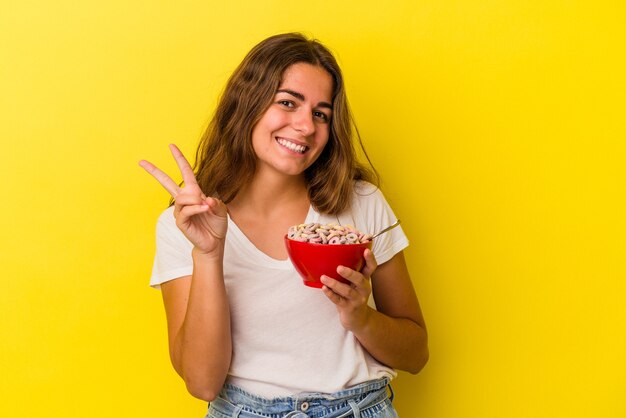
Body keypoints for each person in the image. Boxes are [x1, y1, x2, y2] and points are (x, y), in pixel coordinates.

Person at [139, 32, 428, 418]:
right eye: (288, 103)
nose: (306, 126)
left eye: (320, 113)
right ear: (248, 104)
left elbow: (416, 354)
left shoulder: (361, 204)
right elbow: (203, 383)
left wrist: (360, 316)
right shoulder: (185, 224)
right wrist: (208, 254)